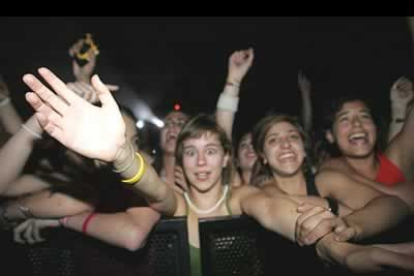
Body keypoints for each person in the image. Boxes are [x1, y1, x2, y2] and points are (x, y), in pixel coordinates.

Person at [22, 67, 414, 273]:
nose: (202, 161)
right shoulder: (175, 199)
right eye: (191, 152)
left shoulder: (242, 195)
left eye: (212, 151)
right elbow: (158, 192)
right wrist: (122, 156)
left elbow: (276, 209)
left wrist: (338, 251)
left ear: (228, 159)